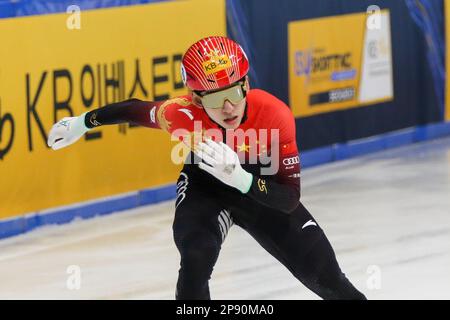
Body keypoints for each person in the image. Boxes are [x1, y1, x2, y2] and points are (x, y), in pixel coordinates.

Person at [47, 36, 366, 300]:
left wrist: (242, 178)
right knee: (195, 261)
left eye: (234, 92)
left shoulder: (274, 115)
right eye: (216, 98)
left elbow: (288, 199)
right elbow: (133, 109)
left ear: (246, 84)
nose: (228, 107)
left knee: (327, 277)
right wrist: (81, 123)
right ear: (196, 100)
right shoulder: (180, 115)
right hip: (207, 183)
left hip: (260, 182)